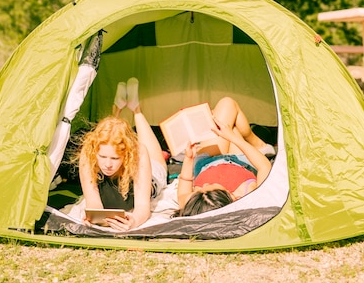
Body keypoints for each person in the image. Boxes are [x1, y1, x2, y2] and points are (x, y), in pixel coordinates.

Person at [79, 77, 167, 232]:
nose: (107, 164)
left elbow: (142, 207)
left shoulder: (138, 152)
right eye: (103, 157)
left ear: (126, 156)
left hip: (151, 174)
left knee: (151, 153)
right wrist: (94, 219)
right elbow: (93, 203)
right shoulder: (89, 151)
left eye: (115, 158)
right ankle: (118, 108)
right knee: (112, 131)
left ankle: (136, 109)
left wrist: (134, 221)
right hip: (119, 154)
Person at [174, 97, 274, 217]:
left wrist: (188, 159)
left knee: (225, 110)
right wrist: (232, 137)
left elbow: (184, 186)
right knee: (230, 118)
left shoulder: (196, 204)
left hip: (206, 161)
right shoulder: (248, 195)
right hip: (240, 160)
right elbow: (264, 166)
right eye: (210, 187)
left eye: (198, 191)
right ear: (229, 196)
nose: (204, 185)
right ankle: (256, 142)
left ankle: (254, 141)